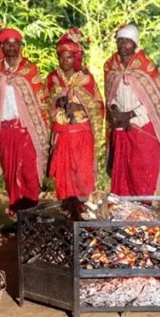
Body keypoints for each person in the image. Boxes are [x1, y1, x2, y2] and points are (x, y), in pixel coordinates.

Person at [0, 25, 49, 216]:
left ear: (20, 46)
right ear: (2, 47)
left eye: (15, 44)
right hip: (5, 130)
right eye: (8, 44)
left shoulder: (30, 70)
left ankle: (30, 212)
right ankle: (17, 216)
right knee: (10, 173)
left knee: (29, 172)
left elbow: (41, 102)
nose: (12, 48)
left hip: (26, 130)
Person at [104, 24, 160, 196]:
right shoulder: (111, 67)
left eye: (127, 42)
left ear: (135, 43)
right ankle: (121, 218)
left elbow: (155, 102)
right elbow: (110, 96)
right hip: (120, 128)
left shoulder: (146, 68)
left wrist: (130, 115)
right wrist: (115, 110)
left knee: (141, 177)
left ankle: (142, 219)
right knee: (122, 176)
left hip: (143, 128)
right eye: (120, 41)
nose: (123, 45)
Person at [46, 28, 104, 202]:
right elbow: (44, 103)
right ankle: (68, 214)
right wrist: (58, 102)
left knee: (83, 176)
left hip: (82, 135)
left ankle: (85, 214)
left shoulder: (87, 79)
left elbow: (97, 105)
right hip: (63, 136)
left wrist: (78, 105)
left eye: (69, 57)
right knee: (64, 179)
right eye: (62, 57)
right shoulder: (53, 78)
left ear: (77, 58)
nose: (65, 61)